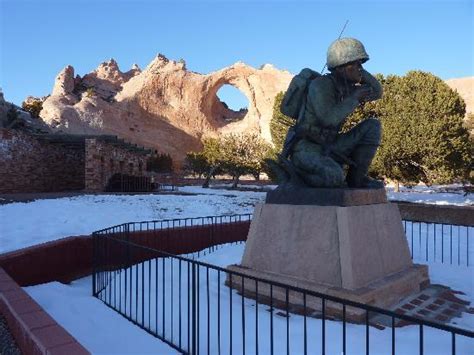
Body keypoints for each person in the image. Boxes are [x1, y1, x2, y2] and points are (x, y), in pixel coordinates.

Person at [288, 37, 384, 188]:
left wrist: (360, 73)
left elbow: (377, 92)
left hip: (331, 144)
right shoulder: (320, 85)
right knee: (334, 177)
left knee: (372, 126)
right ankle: (295, 177)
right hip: (308, 147)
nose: (360, 68)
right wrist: (353, 98)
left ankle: (356, 179)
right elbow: (328, 119)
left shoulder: (346, 88)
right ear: (341, 67)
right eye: (356, 63)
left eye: (361, 64)